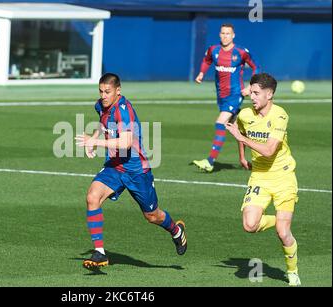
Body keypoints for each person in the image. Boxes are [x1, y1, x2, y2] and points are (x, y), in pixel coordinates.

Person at [75, 73, 188, 268]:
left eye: (107, 92)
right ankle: (100, 253)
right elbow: (104, 124)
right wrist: (93, 139)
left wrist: (96, 142)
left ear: (118, 91)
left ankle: (176, 231)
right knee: (92, 197)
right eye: (101, 91)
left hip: (137, 171)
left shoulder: (124, 111)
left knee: (152, 216)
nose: (103, 96)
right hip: (114, 166)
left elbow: (126, 143)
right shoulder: (101, 105)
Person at [225, 73, 301, 286]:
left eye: (256, 93)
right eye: (251, 92)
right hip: (259, 177)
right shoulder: (246, 115)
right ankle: (280, 221)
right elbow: (239, 129)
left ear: (270, 94)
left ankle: (292, 271)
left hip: (284, 177)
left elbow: (268, 150)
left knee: (284, 234)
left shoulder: (280, 115)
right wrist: (241, 155)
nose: (252, 96)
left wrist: (242, 140)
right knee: (250, 225)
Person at [193, 23, 260, 172]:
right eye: (222, 33)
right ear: (219, 34)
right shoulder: (214, 50)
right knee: (236, 127)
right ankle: (244, 160)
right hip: (221, 95)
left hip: (235, 94)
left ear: (233, 35)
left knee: (220, 123)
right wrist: (201, 73)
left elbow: (256, 67)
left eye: (228, 33)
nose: (225, 36)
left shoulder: (241, 52)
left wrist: (250, 87)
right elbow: (207, 60)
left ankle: (210, 162)